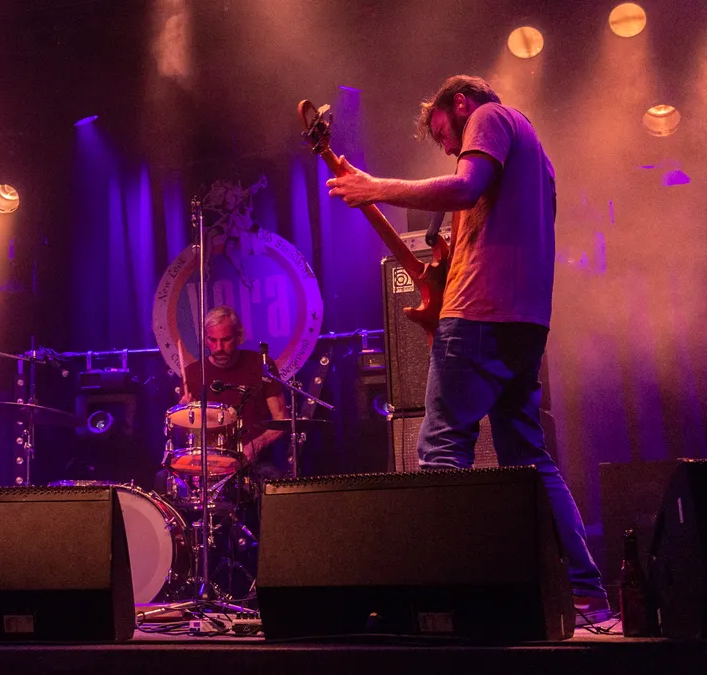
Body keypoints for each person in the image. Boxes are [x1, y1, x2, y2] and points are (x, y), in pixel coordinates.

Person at [325, 75, 609, 620]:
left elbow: (464, 187)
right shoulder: (536, 157)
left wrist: (374, 187)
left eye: (443, 133)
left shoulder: (490, 117)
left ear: (459, 104)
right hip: (524, 321)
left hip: (479, 315)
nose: (448, 148)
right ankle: (586, 592)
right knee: (528, 459)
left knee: (440, 451)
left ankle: (446, 598)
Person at [180, 305, 286, 478]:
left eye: (226, 339)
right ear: (205, 339)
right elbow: (186, 436)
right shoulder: (193, 373)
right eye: (212, 340)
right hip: (212, 464)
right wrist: (184, 416)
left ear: (239, 336)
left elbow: (281, 421)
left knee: (271, 476)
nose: (218, 347)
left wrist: (256, 445)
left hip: (256, 462)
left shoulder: (260, 365)